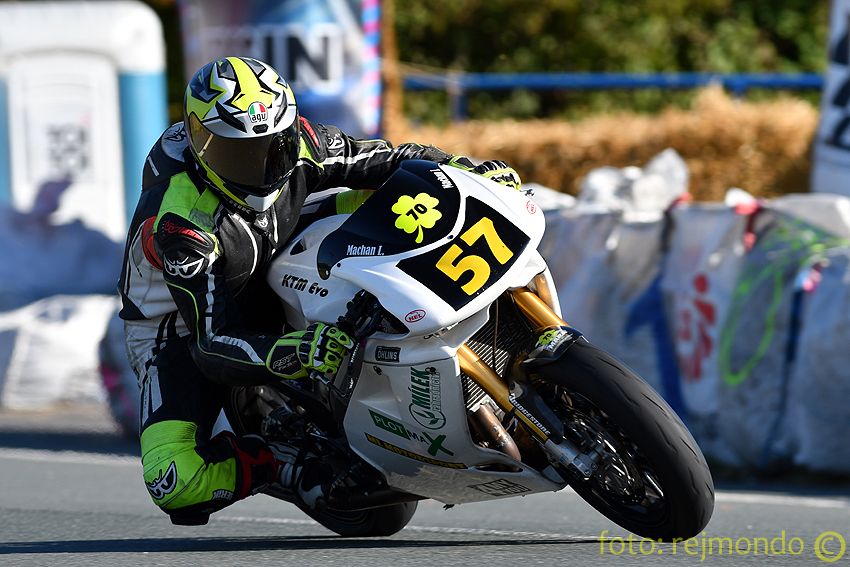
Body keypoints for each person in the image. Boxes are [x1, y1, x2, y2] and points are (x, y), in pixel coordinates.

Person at [118, 56, 522, 526]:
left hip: (271, 241)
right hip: (177, 324)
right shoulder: (182, 227)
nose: (262, 167)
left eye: (273, 147)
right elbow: (211, 343)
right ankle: (283, 463)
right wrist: (291, 350)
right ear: (200, 144)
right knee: (176, 482)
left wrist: (464, 170)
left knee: (384, 195)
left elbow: (391, 159)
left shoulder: (302, 143)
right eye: (238, 154)